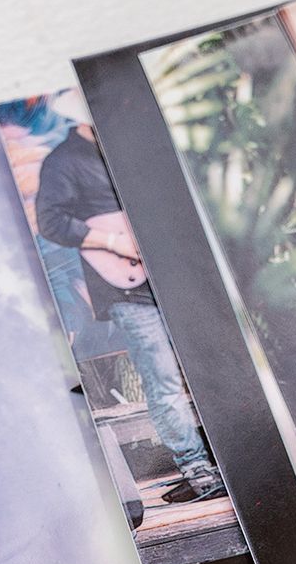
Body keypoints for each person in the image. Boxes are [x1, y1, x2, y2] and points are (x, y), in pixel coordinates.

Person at [32, 88, 225, 504]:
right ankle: (197, 470)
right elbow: (49, 221)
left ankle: (224, 459)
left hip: (173, 276)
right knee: (163, 378)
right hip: (126, 285)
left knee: (209, 363)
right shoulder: (63, 162)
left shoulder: (131, 152)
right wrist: (112, 241)